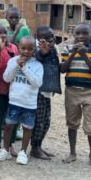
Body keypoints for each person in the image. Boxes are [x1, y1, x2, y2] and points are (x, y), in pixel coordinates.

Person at [61, 22, 91, 167]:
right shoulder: (67, 49)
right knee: (72, 124)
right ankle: (72, 153)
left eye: (84, 33)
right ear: (73, 35)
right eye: (77, 33)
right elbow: (62, 69)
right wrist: (73, 53)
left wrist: (84, 54)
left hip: (90, 93)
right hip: (71, 91)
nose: (81, 36)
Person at [0, 36, 43, 165]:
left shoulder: (37, 65)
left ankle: (22, 152)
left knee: (27, 128)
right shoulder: (13, 61)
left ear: (34, 50)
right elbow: (6, 78)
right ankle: (5, 150)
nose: (26, 52)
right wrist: (16, 65)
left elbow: (37, 83)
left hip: (29, 104)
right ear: (18, 47)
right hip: (14, 102)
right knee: (9, 126)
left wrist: (24, 68)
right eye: (23, 48)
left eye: (30, 49)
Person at [30, 26, 61, 160]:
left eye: (51, 37)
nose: (49, 40)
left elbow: (56, 68)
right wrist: (44, 52)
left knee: (46, 121)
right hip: (39, 91)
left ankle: (39, 146)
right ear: (38, 39)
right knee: (39, 121)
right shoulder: (37, 50)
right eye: (45, 38)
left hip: (47, 90)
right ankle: (35, 148)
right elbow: (38, 58)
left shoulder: (54, 49)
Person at [0, 25, 19, 155]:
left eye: (4, 33)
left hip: (14, 90)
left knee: (13, 119)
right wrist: (0, 51)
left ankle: (10, 143)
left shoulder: (14, 47)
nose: (2, 35)